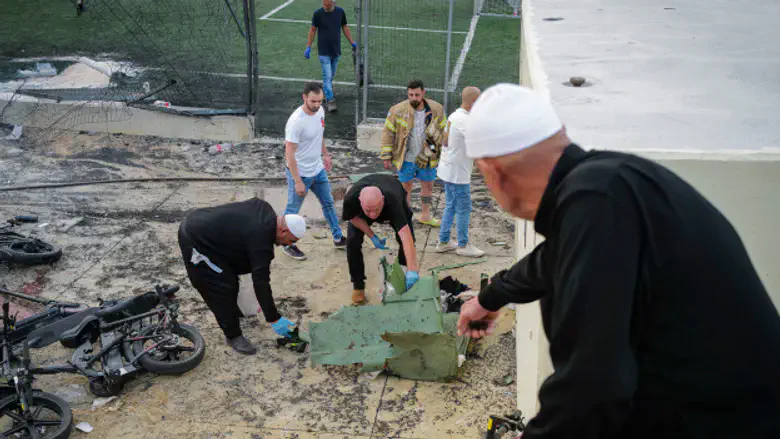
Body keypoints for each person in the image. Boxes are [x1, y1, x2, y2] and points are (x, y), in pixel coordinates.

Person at [457, 83, 780, 437]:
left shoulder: (596, 201)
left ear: (492, 171)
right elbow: (554, 259)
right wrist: (489, 298)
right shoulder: (603, 185)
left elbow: (591, 389)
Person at [177, 198, 307, 355]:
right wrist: (274, 318)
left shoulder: (264, 208)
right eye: (290, 241)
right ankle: (233, 336)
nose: (288, 245)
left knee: (231, 277)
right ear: (283, 231)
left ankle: (235, 311)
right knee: (221, 287)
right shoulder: (261, 240)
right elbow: (261, 282)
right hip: (196, 238)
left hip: (206, 226)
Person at [282, 82, 346, 261]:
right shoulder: (296, 122)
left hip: (317, 169)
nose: (317, 105)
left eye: (320, 101)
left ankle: (338, 237)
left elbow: (319, 134)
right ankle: (287, 244)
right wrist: (298, 181)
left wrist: (325, 155)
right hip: (300, 173)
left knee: (328, 203)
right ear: (304, 97)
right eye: (313, 101)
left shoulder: (320, 112)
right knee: (292, 211)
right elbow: (289, 154)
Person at [342, 174, 420, 305]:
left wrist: (412, 269)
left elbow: (406, 237)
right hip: (366, 208)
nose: (373, 216)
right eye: (369, 211)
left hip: (393, 190)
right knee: (352, 241)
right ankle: (358, 285)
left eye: (376, 210)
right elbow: (353, 218)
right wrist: (372, 235)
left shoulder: (393, 201)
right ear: (359, 201)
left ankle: (404, 273)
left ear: (383, 200)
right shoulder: (351, 198)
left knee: (407, 239)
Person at [381, 79, 447, 227]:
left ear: (423, 93)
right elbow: (387, 133)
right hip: (407, 158)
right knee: (405, 189)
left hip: (427, 157)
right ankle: (406, 215)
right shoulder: (397, 110)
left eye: (417, 95)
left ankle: (425, 215)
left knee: (428, 187)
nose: (414, 98)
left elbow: (444, 132)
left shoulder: (436, 108)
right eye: (410, 95)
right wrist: (386, 156)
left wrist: (443, 151)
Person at [435, 86, 485, 258]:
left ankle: (444, 241)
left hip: (448, 170)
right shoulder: (465, 121)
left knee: (451, 205)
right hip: (457, 174)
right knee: (464, 207)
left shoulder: (455, 116)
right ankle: (463, 245)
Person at [305, 0, 356, 112]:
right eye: (323, 4)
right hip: (323, 52)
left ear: (334, 3)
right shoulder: (318, 14)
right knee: (327, 77)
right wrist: (308, 46)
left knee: (331, 75)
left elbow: (345, 27)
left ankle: (327, 90)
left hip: (336, 51)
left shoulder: (340, 12)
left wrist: (352, 42)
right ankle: (330, 100)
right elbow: (313, 30)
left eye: (327, 5)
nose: (325, 7)